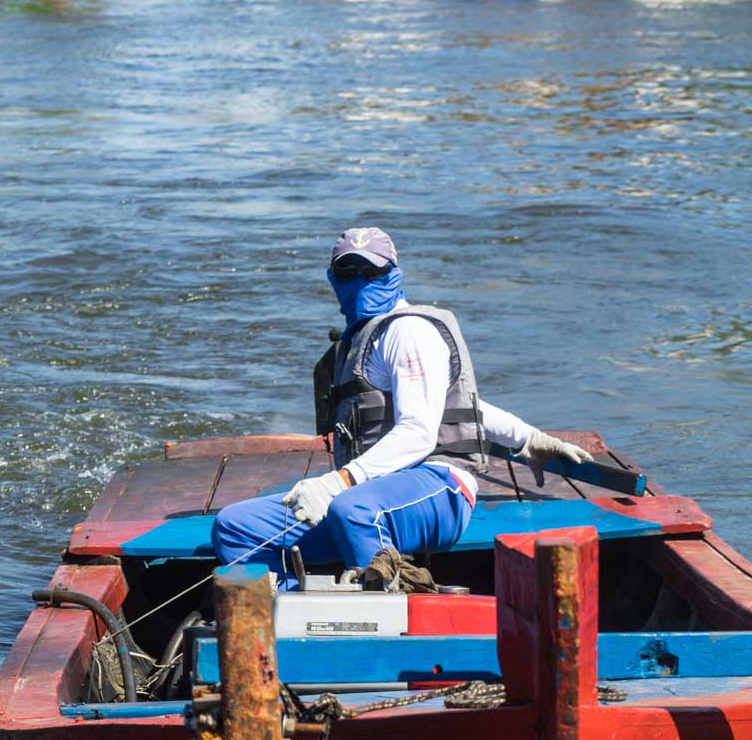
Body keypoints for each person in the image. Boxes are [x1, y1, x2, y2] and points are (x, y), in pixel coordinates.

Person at [211, 226, 593, 586]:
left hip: (439, 486)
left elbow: (420, 431)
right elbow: (457, 406)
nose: (360, 280)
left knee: (354, 510)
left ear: (393, 273)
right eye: (349, 272)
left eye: (371, 271)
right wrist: (528, 438)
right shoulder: (361, 339)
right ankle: (292, 615)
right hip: (367, 491)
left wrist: (337, 482)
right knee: (235, 526)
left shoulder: (409, 331)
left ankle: (384, 611)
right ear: (333, 280)